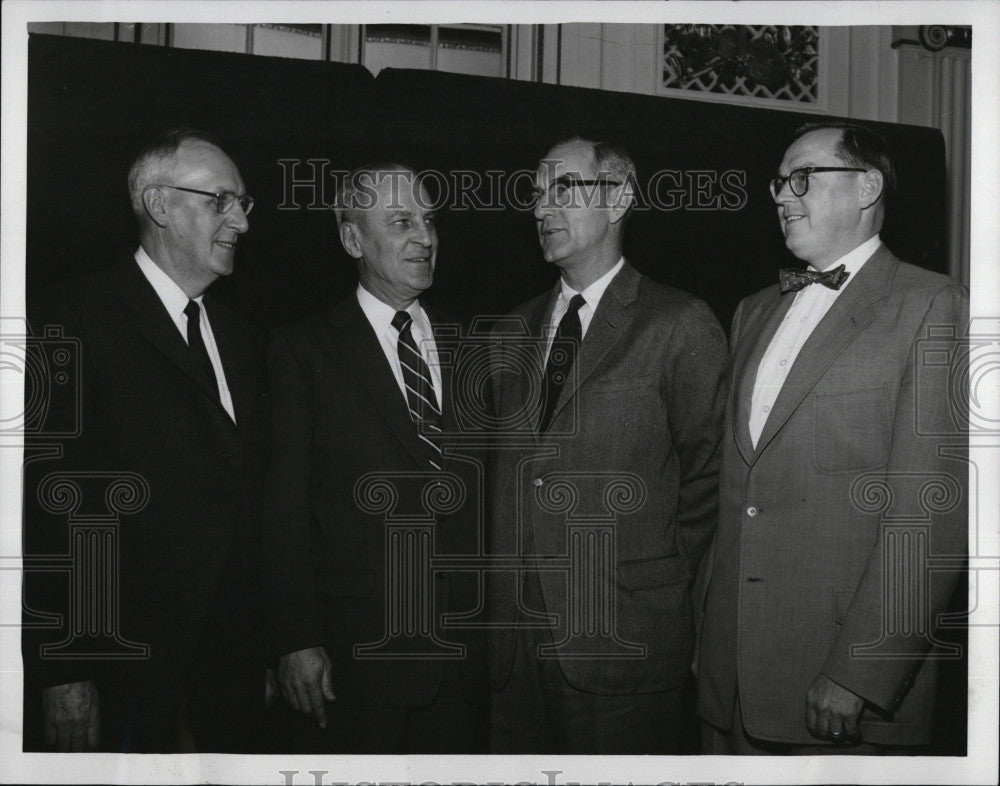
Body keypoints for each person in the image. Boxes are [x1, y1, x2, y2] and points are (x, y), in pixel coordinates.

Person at [697, 122, 969, 753]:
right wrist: (707, 644)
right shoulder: (753, 310)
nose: (782, 196)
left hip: (840, 689)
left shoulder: (933, 304)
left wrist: (860, 673)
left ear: (867, 187)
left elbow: (930, 515)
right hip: (730, 679)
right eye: (778, 183)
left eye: (803, 178)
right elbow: (738, 497)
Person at [23, 127, 270, 752]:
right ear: (160, 205)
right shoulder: (67, 320)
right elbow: (48, 509)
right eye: (221, 200)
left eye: (243, 202)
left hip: (229, 672)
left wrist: (266, 648)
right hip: (119, 671)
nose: (241, 219)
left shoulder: (245, 339)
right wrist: (65, 669)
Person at [486, 136, 728, 754]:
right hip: (511, 649)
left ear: (618, 197)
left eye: (562, 188)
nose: (542, 208)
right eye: (537, 193)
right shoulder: (511, 328)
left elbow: (709, 481)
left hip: (625, 639)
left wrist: (659, 588)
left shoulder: (679, 322)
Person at [262, 163, 486, 753]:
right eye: (402, 221)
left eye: (430, 220)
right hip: (355, 661)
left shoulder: (474, 345)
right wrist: (295, 640)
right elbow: (282, 509)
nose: (426, 236)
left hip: (464, 661)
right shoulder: (302, 349)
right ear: (352, 239)